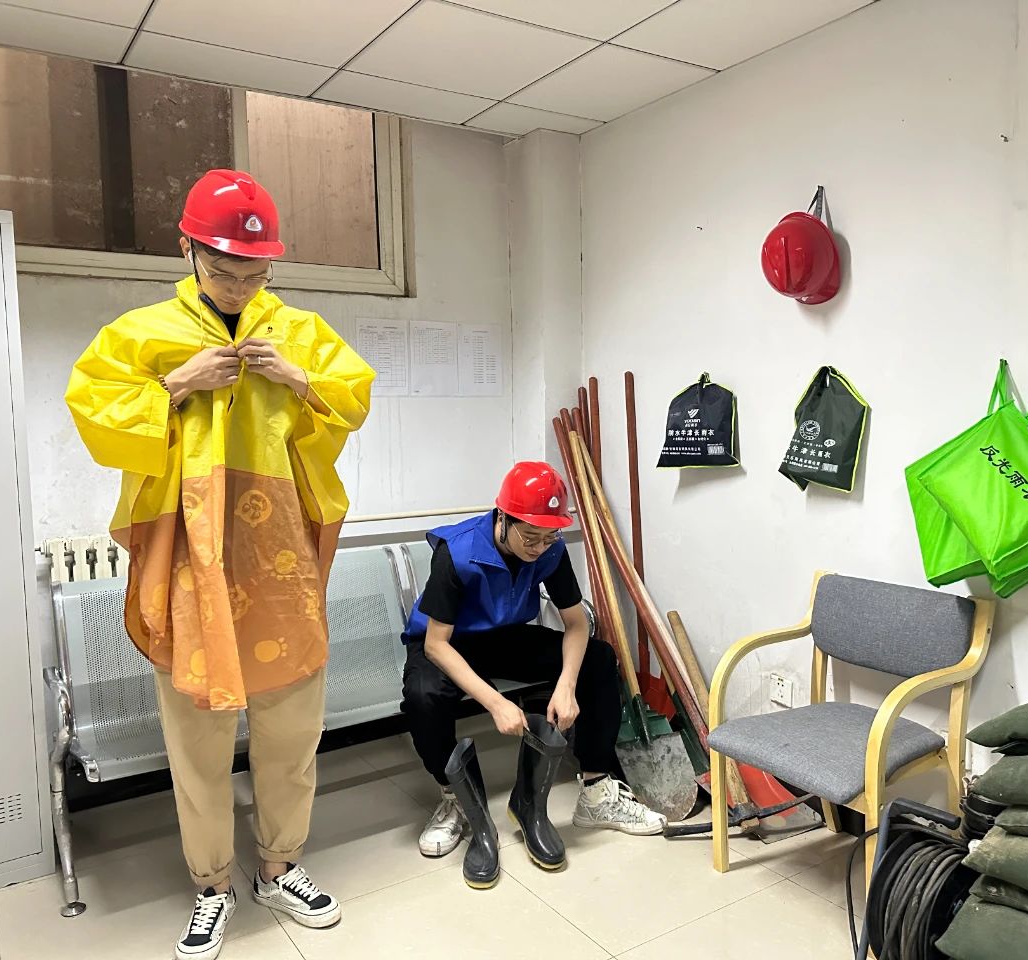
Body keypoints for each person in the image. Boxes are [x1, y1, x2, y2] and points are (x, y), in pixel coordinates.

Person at [66, 169, 375, 960]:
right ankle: (211, 884)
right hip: (188, 560)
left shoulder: (299, 331)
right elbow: (93, 412)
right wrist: (176, 384)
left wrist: (298, 379)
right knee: (196, 738)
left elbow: (352, 397)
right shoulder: (142, 332)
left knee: (291, 729)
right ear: (189, 250)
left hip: (280, 561)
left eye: (255, 274)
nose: (239, 287)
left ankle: (280, 867)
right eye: (225, 271)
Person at [400, 462, 666, 880]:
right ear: (502, 518)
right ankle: (455, 798)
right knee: (423, 696)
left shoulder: (550, 550)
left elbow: (576, 624)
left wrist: (567, 685)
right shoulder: (459, 551)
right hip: (446, 642)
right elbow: (436, 644)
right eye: (530, 536)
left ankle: (596, 790)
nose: (539, 547)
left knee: (598, 658)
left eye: (549, 537)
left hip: (504, 636)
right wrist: (496, 703)